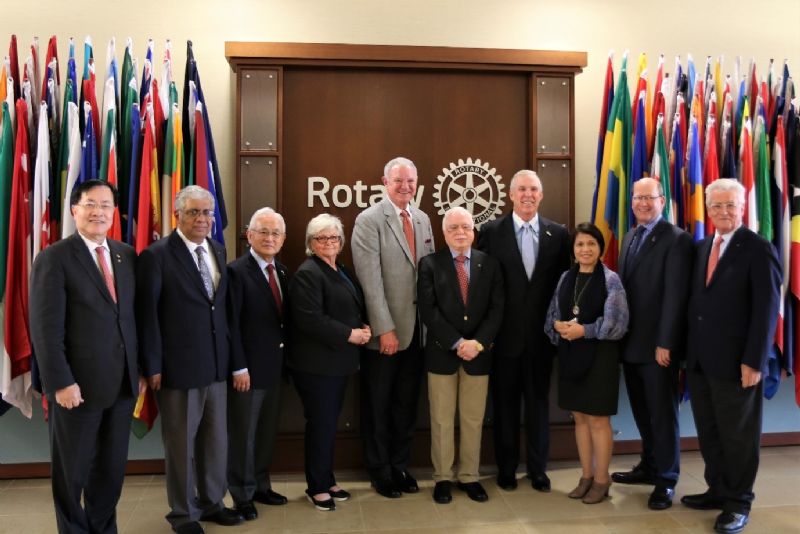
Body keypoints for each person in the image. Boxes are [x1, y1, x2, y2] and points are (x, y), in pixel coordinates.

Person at [30, 180, 141, 534]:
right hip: (76, 389)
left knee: (110, 472)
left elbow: (129, 319)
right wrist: (60, 381)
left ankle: (103, 529)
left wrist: (136, 370)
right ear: (74, 209)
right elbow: (46, 330)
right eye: (90, 204)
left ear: (114, 212)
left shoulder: (125, 255)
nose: (98, 212)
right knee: (71, 474)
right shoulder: (54, 258)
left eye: (106, 205)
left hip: (121, 385)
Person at [137, 185, 242, 534]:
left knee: (215, 441)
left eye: (207, 213)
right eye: (194, 212)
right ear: (177, 215)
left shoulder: (217, 249)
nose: (202, 219)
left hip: (215, 365)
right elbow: (147, 315)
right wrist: (152, 365)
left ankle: (212, 502)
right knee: (181, 446)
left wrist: (232, 361)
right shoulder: (157, 255)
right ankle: (183, 514)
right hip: (177, 369)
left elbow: (222, 312)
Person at [682, 179, 780, 534]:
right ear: (707, 211)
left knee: (738, 435)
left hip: (739, 362)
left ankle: (739, 502)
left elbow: (767, 310)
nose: (723, 212)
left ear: (742, 208)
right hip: (700, 360)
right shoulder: (703, 246)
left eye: (730, 205)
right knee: (710, 430)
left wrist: (754, 360)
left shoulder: (758, 248)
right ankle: (718, 489)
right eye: (716, 206)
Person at [476, 169, 570, 492]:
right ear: (511, 195)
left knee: (539, 405)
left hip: (542, 340)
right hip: (503, 339)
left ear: (541, 195)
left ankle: (538, 469)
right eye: (522, 189)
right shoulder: (490, 231)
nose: (528, 194)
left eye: (534, 189)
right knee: (504, 406)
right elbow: (483, 286)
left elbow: (562, 286)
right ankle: (506, 468)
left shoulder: (558, 234)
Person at [351, 156, 436, 498]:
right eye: (398, 181)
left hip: (418, 333)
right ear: (385, 182)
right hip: (385, 335)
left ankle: (400, 465)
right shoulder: (368, 220)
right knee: (378, 404)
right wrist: (384, 328)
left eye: (411, 181)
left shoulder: (423, 219)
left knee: (406, 404)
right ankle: (380, 469)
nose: (405, 187)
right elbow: (369, 281)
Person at [612, 177, 693, 510]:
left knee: (662, 414)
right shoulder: (630, 236)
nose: (642, 203)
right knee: (643, 411)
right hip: (631, 343)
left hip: (658, 347)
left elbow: (676, 297)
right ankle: (649, 465)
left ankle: (667, 479)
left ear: (663, 200)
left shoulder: (677, 240)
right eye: (637, 198)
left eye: (649, 197)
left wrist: (666, 342)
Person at [417, 207, 504, 505]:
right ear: (444, 233)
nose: (460, 233)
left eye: (465, 227)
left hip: (478, 356)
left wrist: (477, 343)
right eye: (453, 227)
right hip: (442, 354)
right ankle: (442, 477)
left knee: (472, 419)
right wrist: (456, 342)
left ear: (473, 231)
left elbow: (497, 309)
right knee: (441, 420)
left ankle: (469, 476)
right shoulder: (429, 264)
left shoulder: (489, 265)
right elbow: (428, 311)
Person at [289, 214, 371, 511]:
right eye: (321, 238)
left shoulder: (340, 269)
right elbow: (311, 320)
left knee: (328, 425)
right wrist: (350, 334)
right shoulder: (308, 273)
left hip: (336, 364)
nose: (328, 243)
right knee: (321, 424)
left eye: (334, 238)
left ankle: (327, 478)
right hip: (316, 366)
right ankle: (317, 486)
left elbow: (347, 308)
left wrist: (363, 326)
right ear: (311, 243)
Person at [544, 222, 628, 504]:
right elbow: (552, 314)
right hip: (570, 356)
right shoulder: (566, 277)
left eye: (591, 244)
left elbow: (617, 323)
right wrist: (557, 325)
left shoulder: (610, 279)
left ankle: (602, 480)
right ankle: (586, 476)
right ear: (573, 249)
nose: (585, 249)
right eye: (580, 244)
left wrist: (585, 330)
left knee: (597, 420)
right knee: (578, 417)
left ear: (600, 248)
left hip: (600, 358)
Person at [226, 207, 290, 521]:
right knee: (243, 435)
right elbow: (231, 326)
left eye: (275, 233)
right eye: (263, 232)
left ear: (283, 238)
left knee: (265, 433)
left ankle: (261, 485)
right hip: (247, 372)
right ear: (249, 235)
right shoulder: (237, 272)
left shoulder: (283, 271)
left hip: (275, 369)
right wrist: (238, 367)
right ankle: (242, 493)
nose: (269, 238)